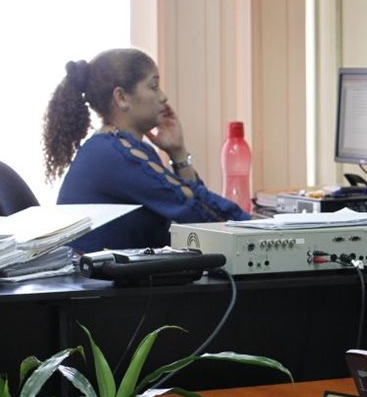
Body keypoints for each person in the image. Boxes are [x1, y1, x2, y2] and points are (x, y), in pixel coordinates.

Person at [43, 48, 249, 252]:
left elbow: (192, 206)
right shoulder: (117, 154)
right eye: (154, 86)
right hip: (98, 283)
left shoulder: (112, 147)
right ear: (122, 97)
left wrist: (178, 153)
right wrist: (258, 227)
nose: (163, 97)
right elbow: (194, 209)